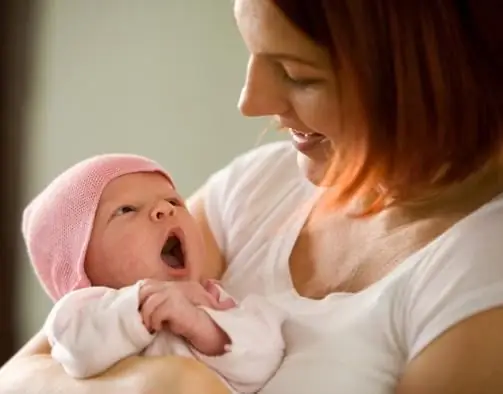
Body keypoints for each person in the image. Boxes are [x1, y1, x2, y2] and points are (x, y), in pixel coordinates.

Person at [1, 0, 503, 393]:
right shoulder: (263, 185)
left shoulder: (478, 277)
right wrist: (165, 384)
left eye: (297, 74)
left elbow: (253, 346)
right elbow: (15, 378)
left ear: (429, 73)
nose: (250, 103)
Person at [21, 153, 286, 393]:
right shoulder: (80, 313)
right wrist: (139, 306)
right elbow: (77, 353)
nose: (166, 209)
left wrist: (204, 328)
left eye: (173, 200)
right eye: (126, 210)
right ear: (80, 262)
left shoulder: (215, 302)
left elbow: (265, 361)